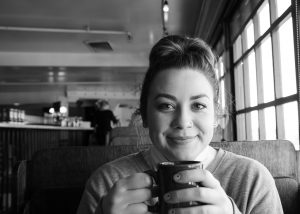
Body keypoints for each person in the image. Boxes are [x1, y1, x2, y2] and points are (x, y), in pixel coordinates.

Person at [77, 35, 283, 214]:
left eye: (199, 105)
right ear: (145, 115)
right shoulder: (106, 182)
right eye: (166, 105)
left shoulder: (252, 179)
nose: (183, 122)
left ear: (217, 115)